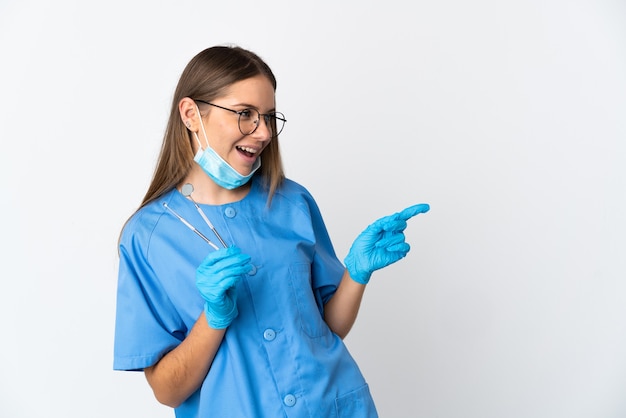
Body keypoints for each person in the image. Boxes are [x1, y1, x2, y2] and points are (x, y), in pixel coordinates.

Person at [113, 44, 430, 418]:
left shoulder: (292, 202)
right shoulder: (149, 237)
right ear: (191, 114)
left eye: (268, 116)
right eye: (245, 114)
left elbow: (327, 328)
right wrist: (213, 319)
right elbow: (167, 391)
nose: (262, 132)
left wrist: (355, 274)